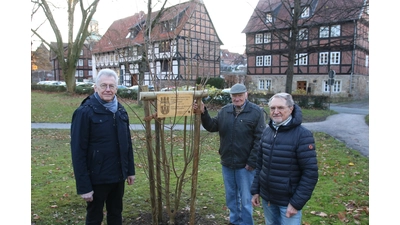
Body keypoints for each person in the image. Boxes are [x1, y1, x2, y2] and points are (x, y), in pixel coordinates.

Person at [193, 83, 266, 225]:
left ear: (246, 95)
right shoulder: (225, 111)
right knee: (231, 197)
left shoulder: (256, 112)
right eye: (234, 96)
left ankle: (245, 223)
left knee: (245, 200)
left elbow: (260, 139)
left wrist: (252, 162)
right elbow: (213, 126)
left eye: (240, 95)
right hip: (227, 162)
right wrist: (203, 112)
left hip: (246, 166)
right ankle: (234, 221)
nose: (237, 99)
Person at [70, 69, 136, 225]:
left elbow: (127, 143)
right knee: (94, 218)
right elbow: (78, 152)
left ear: (116, 89)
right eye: (104, 85)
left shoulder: (120, 111)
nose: (108, 89)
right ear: (96, 88)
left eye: (111, 86)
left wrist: (130, 171)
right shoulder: (84, 112)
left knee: (116, 214)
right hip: (96, 178)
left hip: (118, 176)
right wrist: (84, 186)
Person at [251, 93, 318, 225]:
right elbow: (260, 164)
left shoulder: (303, 135)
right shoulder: (267, 131)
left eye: (280, 108)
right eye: (272, 108)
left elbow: (310, 173)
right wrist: (256, 191)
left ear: (291, 108)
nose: (276, 112)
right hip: (268, 199)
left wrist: (296, 203)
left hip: (288, 202)